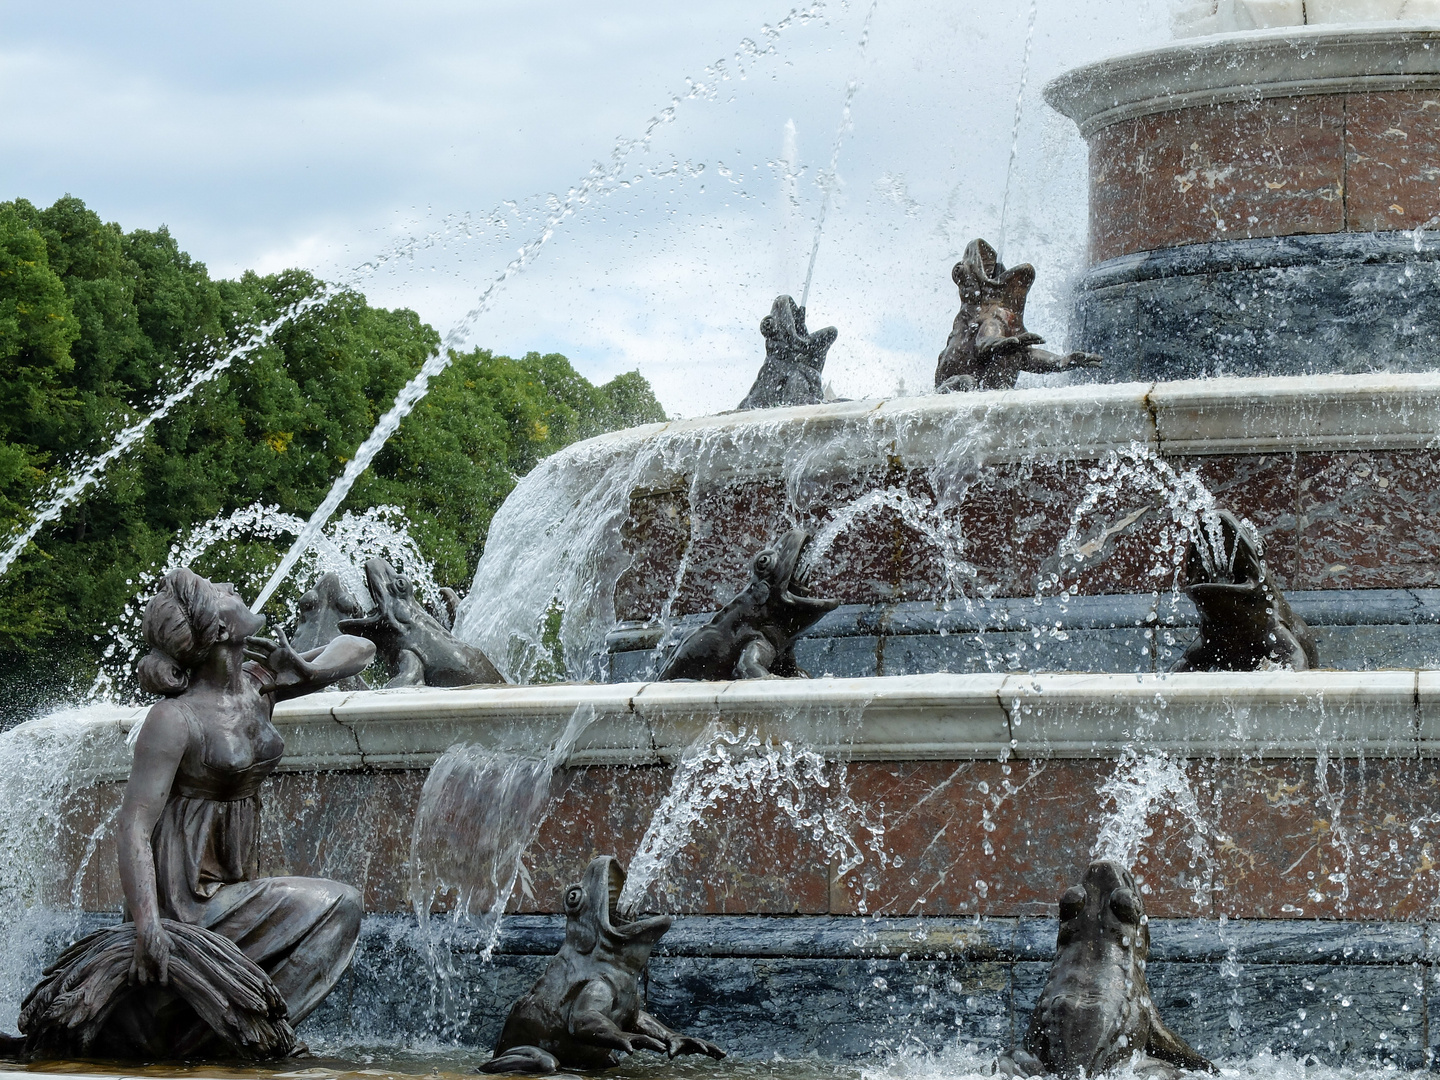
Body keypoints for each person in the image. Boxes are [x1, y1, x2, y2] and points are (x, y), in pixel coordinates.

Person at [27, 568, 375, 1058]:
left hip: (232, 880)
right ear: (221, 631)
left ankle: (229, 1036)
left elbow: (361, 648)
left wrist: (311, 672)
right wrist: (148, 922)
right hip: (184, 893)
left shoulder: (259, 686)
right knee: (340, 904)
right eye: (223, 592)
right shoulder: (173, 719)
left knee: (332, 914)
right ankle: (245, 1039)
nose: (234, 588)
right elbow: (133, 826)